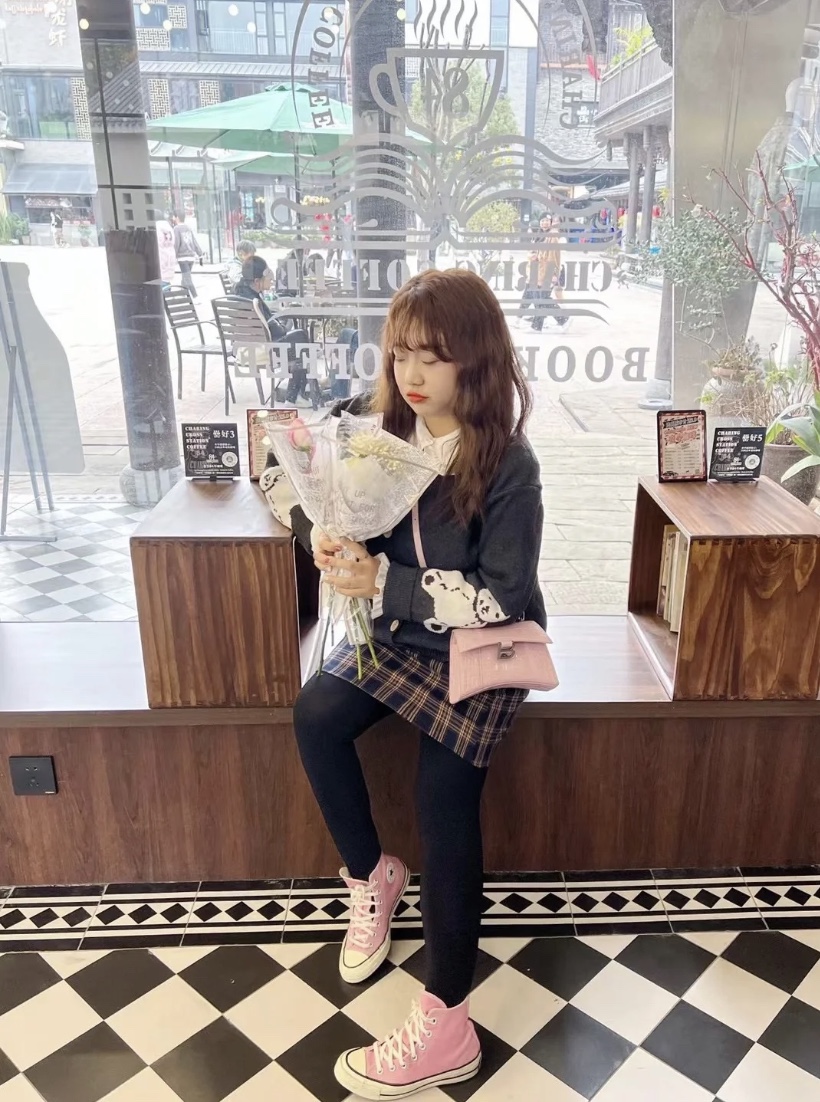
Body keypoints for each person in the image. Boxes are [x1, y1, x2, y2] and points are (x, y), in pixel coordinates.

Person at [262, 268, 545, 1099]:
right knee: (316, 714)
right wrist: (317, 533)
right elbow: (281, 472)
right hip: (393, 634)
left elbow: (503, 595)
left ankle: (448, 1022)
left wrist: (384, 582)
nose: (411, 375)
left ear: (475, 361)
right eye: (400, 354)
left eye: (433, 357)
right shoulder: (371, 422)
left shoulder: (508, 464)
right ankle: (372, 875)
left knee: (442, 804)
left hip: (478, 644)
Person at [527, 213, 569, 332]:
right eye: (542, 221)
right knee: (541, 298)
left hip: (548, 272)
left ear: (550, 223)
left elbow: (554, 257)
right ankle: (537, 326)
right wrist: (532, 256)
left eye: (547, 221)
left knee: (544, 298)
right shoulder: (540, 235)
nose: (544, 223)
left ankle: (563, 319)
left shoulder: (552, 237)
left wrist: (554, 274)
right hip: (539, 272)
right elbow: (532, 251)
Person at [171, 211, 204, 297]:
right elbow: (194, 241)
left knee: (187, 278)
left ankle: (195, 296)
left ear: (177, 217)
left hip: (182, 257)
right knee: (185, 277)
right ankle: (183, 295)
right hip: (191, 257)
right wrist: (200, 254)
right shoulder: (188, 228)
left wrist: (173, 256)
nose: (172, 218)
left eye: (174, 217)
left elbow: (176, 243)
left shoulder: (176, 229)